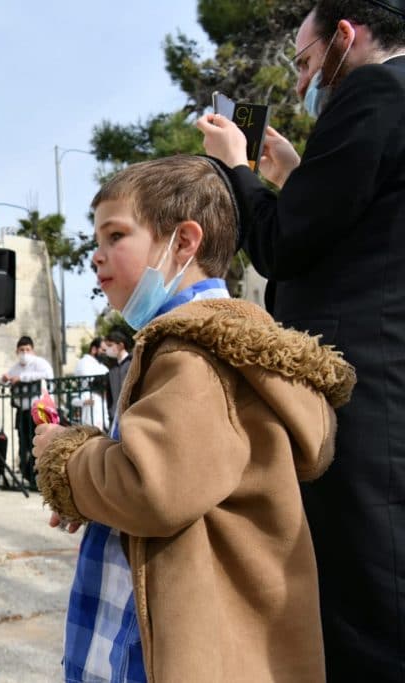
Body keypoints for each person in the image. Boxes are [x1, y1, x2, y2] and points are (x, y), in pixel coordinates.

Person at [32, 155, 356, 681]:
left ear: (184, 242)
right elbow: (183, 476)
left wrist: (62, 458)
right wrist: (93, 489)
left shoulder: (191, 350)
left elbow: (151, 487)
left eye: (116, 235)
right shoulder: (210, 345)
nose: (97, 256)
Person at [196, 2, 405, 677]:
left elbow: (286, 243)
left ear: (348, 36)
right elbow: (357, 219)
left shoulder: (375, 87)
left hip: (361, 382)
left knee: (361, 582)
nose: (300, 83)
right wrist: (290, 175)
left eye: (308, 62)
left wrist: (235, 169)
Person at [0, 335, 55, 489]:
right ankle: (30, 476)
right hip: (22, 411)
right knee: (24, 444)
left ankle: (42, 476)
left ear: (32, 350)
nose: (24, 353)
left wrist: (22, 378)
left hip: (38, 410)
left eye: (27, 350)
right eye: (21, 350)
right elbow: (7, 379)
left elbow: (46, 376)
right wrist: (4, 379)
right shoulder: (16, 366)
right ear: (17, 351)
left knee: (39, 442)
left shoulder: (40, 363)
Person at [103, 328, 132, 422]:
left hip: (132, 416)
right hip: (116, 417)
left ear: (120, 346)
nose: (107, 349)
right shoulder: (112, 369)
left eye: (110, 345)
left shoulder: (132, 363)